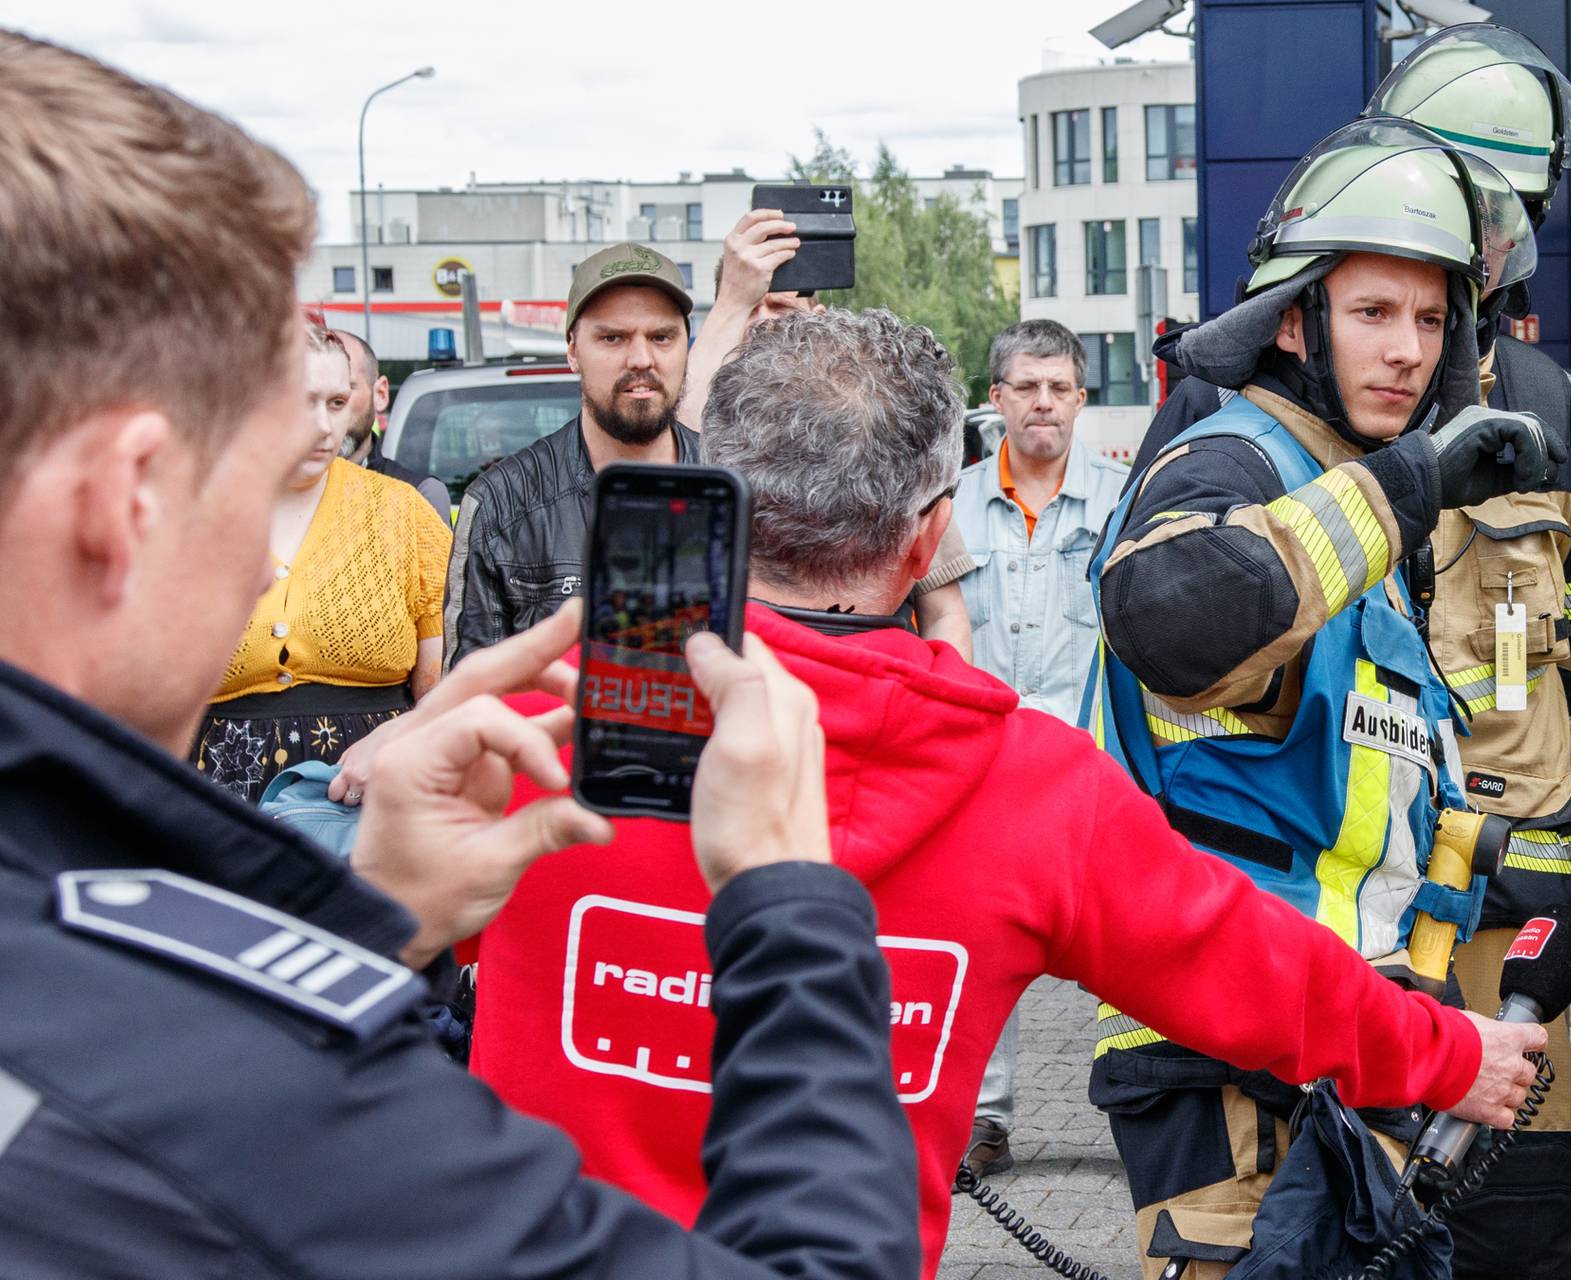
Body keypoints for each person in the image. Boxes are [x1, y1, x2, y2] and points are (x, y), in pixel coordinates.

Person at [0, 29, 927, 1276]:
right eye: (271, 484)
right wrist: (790, 907)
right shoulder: (219, 1085)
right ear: (126, 500)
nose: (267, 567)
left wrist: (368, 934)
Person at [464, 306, 1547, 1277]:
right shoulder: (1025, 790)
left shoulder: (530, 737)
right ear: (936, 535)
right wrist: (1452, 1054)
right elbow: (1257, 967)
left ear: (718, 503)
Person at [1089, 116, 1566, 1278]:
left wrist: (1501, 861)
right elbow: (1171, 612)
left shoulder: (1352, 499)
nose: (1407, 349)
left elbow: (1351, 797)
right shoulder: (1236, 460)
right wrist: (1404, 488)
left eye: (1428, 318)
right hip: (1229, 1062)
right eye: (1372, 312)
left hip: (1346, 1047)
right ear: (1295, 318)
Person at [1364, 32, 1571, 1271]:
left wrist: (1549, 787)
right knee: (1348, 1223)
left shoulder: (1555, 405)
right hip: (1346, 923)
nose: (1483, 244)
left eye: (1504, 217)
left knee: (1526, 1232)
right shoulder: (1281, 406)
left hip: (1511, 925)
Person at [938, 317, 1130, 1175]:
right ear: (997, 400)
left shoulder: (1127, 505)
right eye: (1027, 386)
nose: (1043, 402)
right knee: (980, 942)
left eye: (1059, 388)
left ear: (1081, 400)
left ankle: (1155, 1109)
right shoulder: (947, 508)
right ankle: (982, 1119)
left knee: (1134, 941)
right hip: (980, 774)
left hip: (1093, 774)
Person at [676, 206, 978, 657]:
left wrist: (948, 708)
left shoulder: (882, 437)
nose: (759, 323)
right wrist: (730, 304)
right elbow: (681, 423)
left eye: (778, 307)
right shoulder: (712, 429)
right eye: (747, 309)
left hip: (876, 689)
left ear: (815, 318)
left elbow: (944, 611)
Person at [190, 321, 452, 802]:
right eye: (300, 402)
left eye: (336, 403)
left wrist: (400, 740)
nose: (324, 427)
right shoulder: (193, 516)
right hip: (218, 798)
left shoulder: (400, 511)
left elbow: (441, 682)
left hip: (370, 796)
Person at [442, 241, 703, 666]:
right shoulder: (504, 503)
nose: (641, 359)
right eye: (612, 338)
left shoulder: (733, 488)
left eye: (661, 337)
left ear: (686, 346)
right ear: (572, 349)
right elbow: (469, 693)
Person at [329, 327, 451, 514]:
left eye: (345, 388)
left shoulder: (416, 495)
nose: (327, 408)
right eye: (309, 393)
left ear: (380, 393)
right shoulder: (276, 490)